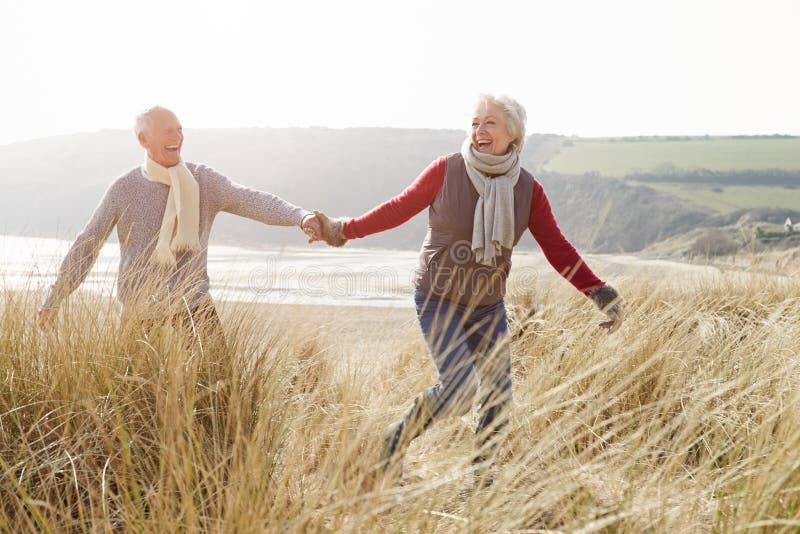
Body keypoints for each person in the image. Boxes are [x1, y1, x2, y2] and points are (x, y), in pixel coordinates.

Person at [312, 94, 624, 484]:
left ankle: (482, 479)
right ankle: (393, 442)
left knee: (499, 395)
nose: (479, 130)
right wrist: (344, 229)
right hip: (437, 298)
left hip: (486, 307)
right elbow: (399, 208)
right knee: (460, 389)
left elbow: (557, 248)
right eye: (475, 123)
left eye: (490, 123)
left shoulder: (529, 190)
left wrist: (599, 292)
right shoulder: (446, 170)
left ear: (513, 134)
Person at [38, 106, 321, 346]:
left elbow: (250, 200)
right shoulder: (123, 189)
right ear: (143, 139)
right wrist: (56, 296)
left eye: (179, 129)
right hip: (140, 317)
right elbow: (89, 243)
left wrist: (300, 216)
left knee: (218, 399)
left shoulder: (202, 181)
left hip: (196, 312)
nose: (177, 137)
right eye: (167, 131)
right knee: (137, 406)